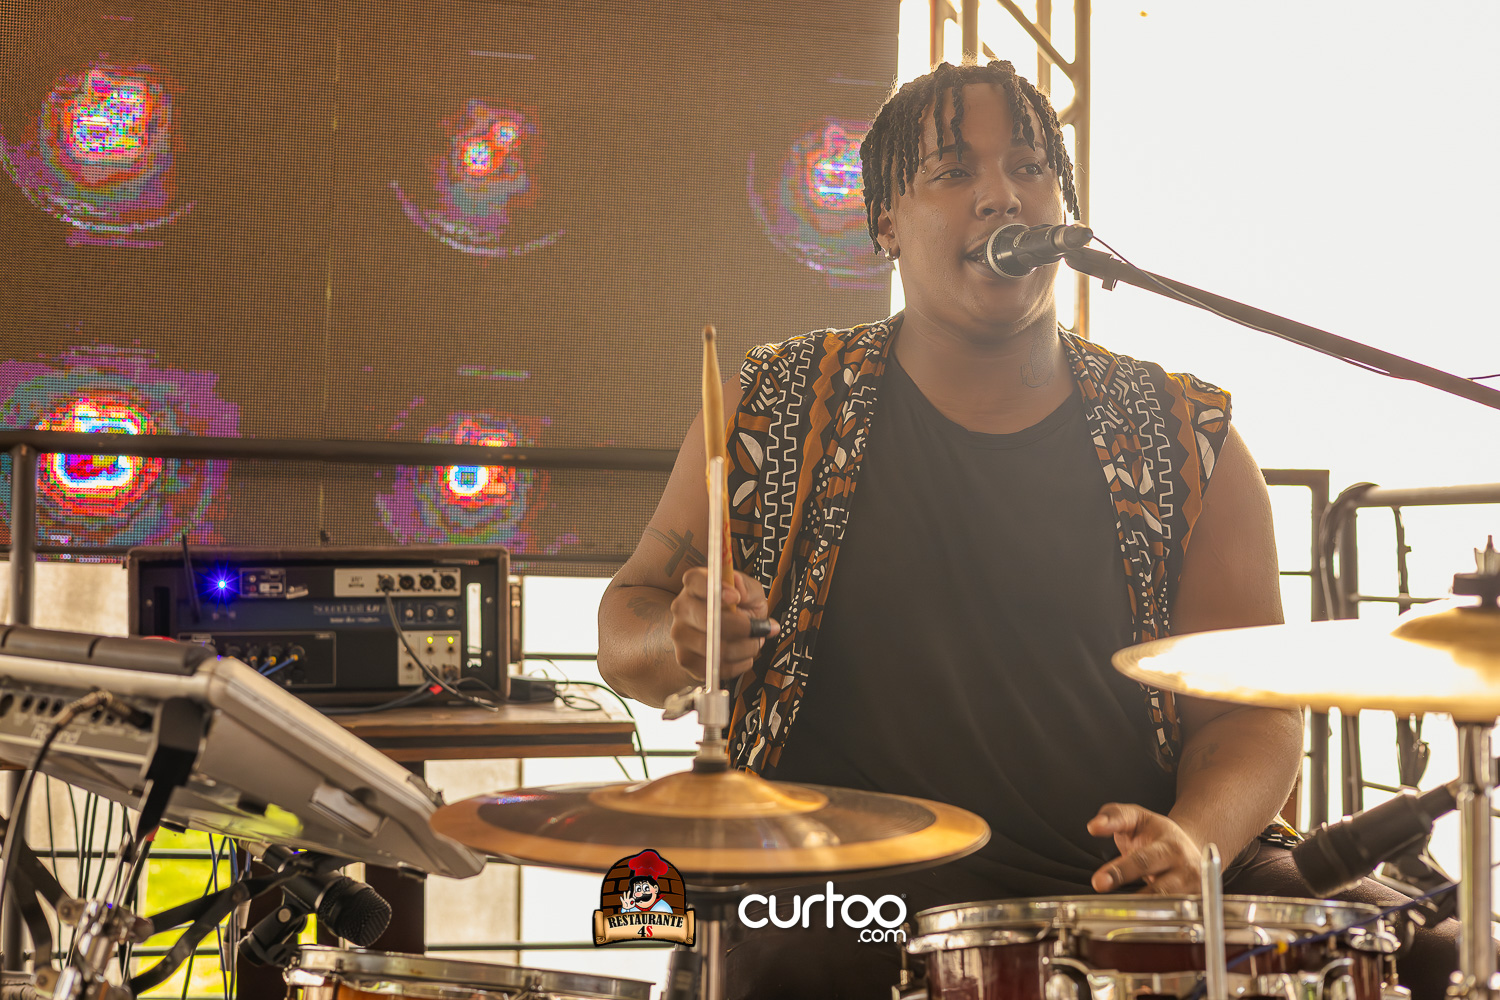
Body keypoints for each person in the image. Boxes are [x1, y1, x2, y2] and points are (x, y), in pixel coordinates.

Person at [598, 59, 1458, 999]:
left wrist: (1191, 845)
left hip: (1130, 880)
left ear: (1064, 209)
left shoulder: (1182, 435)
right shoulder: (772, 405)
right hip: (851, 895)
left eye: (1029, 168)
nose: (1000, 195)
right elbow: (626, 626)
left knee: (1433, 950)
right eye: (953, 171)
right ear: (885, 222)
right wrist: (682, 641)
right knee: (785, 965)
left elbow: (1250, 714)